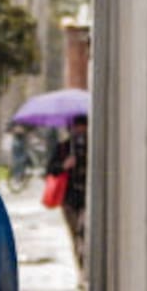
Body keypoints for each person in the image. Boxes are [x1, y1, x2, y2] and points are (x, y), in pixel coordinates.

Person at [47, 114, 88, 269]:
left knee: (84, 232)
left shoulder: (92, 147)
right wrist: (65, 165)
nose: (80, 131)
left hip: (86, 198)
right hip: (69, 199)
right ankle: (80, 266)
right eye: (77, 128)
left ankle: (85, 261)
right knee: (75, 235)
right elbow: (51, 170)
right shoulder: (64, 148)